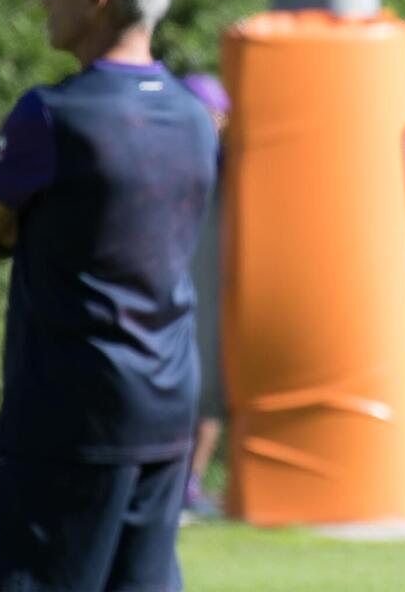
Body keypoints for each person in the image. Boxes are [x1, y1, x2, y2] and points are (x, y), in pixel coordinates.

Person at [0, 0, 217, 592]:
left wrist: (25, 228)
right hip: (164, 406)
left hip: (67, 415)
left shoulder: (55, 113)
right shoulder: (194, 116)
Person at [180, 73, 229, 521]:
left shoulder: (229, 162)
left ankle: (189, 482)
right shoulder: (161, 154)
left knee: (210, 391)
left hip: (210, 287)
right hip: (169, 285)